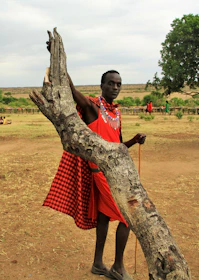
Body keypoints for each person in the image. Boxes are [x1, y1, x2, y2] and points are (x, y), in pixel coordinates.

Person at [43, 43, 146, 280]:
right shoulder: (92, 107)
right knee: (127, 216)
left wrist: (133, 140)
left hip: (114, 172)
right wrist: (57, 57)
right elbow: (70, 88)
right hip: (99, 172)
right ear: (102, 85)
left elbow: (116, 147)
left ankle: (98, 264)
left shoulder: (116, 113)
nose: (115, 87)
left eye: (119, 84)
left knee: (103, 217)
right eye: (111, 83)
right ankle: (118, 267)